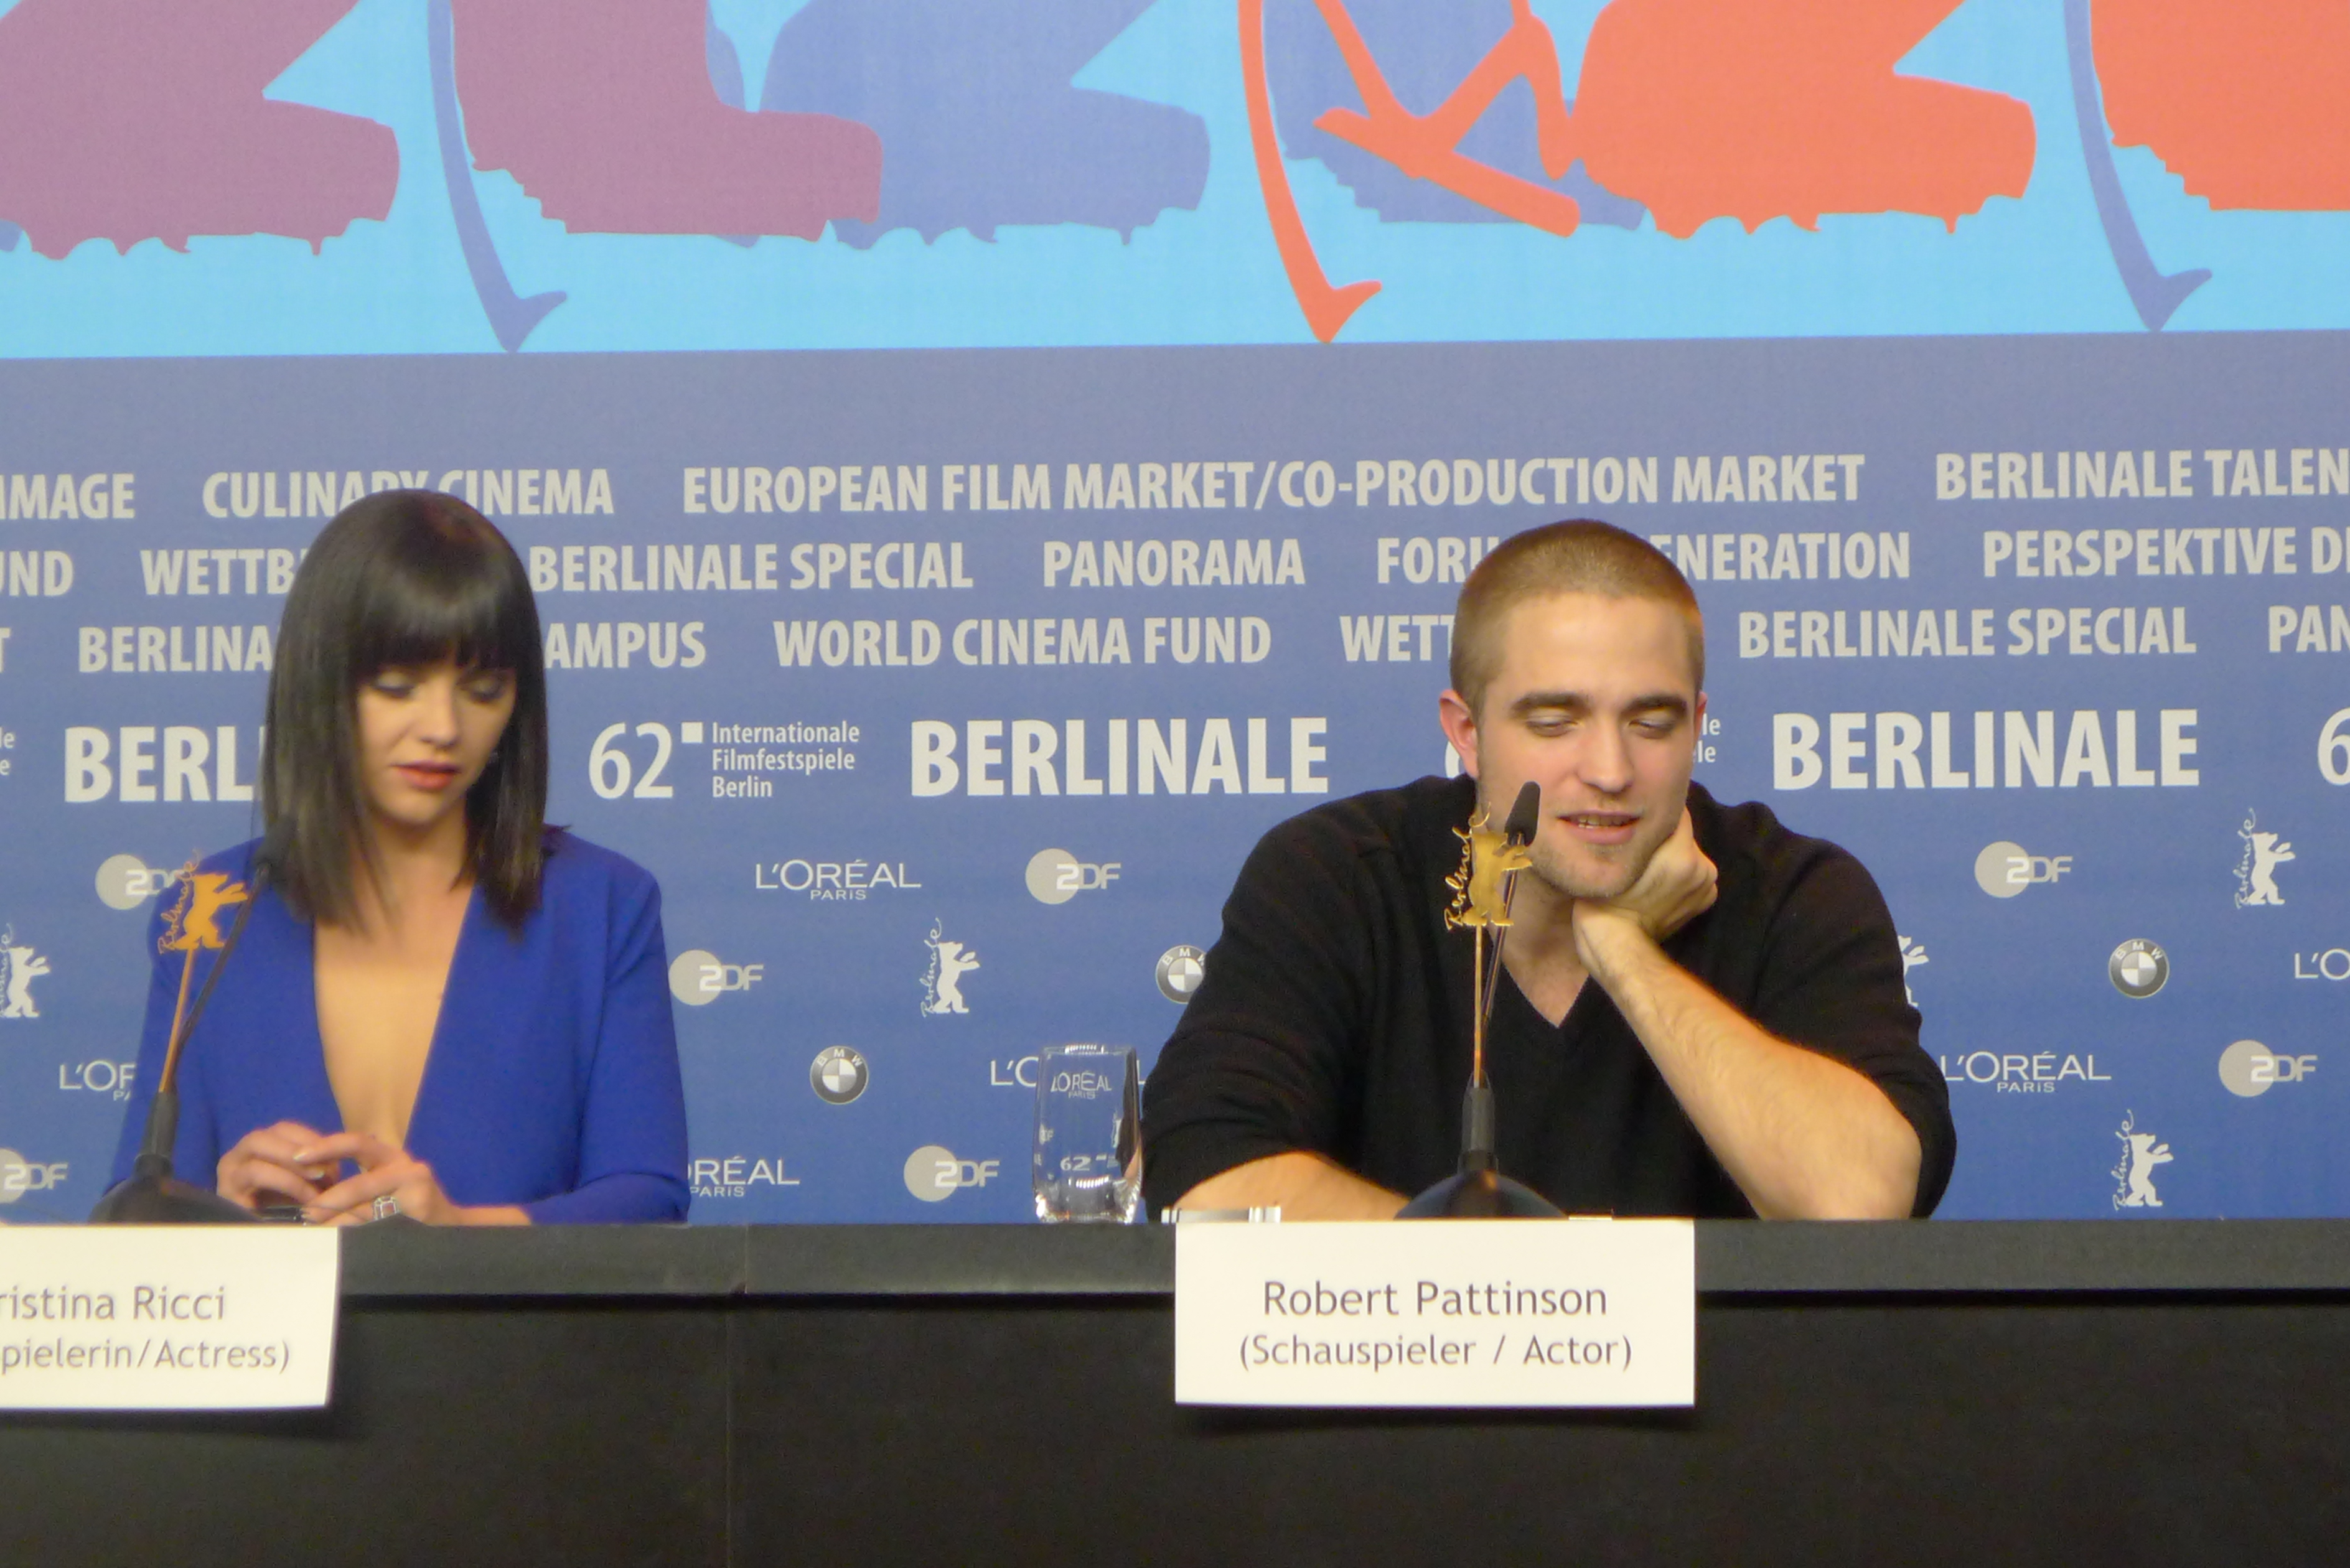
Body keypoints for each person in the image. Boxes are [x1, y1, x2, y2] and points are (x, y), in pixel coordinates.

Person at [1142, 520, 1952, 1221]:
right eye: (1555, 721)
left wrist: (1623, 950)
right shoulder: (1341, 876)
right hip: (1403, 1359)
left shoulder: (1793, 891)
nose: (1608, 770)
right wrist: (1530, 1284)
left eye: (1651, 722)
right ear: (1467, 733)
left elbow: (1857, 1203)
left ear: (1698, 725)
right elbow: (1208, 1183)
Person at [110, 492, 689, 1224]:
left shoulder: (603, 905)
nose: (443, 727)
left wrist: (457, 1232)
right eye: (397, 687)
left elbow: (646, 1200)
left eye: (483, 691)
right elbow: (136, 1216)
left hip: (513, 1308)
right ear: (319, 685)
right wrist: (219, 1216)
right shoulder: (210, 909)